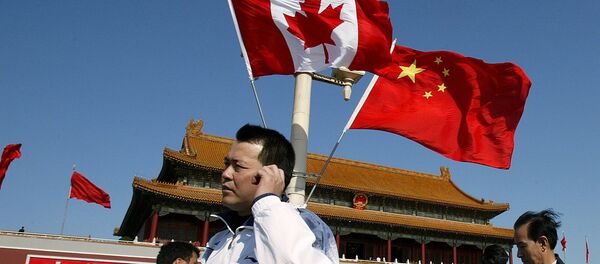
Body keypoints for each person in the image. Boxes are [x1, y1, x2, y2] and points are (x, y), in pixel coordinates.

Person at [201, 124, 338, 264]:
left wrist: (267, 202)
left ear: (271, 174)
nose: (226, 174)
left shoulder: (307, 224)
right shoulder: (219, 239)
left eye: (239, 166)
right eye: (226, 164)